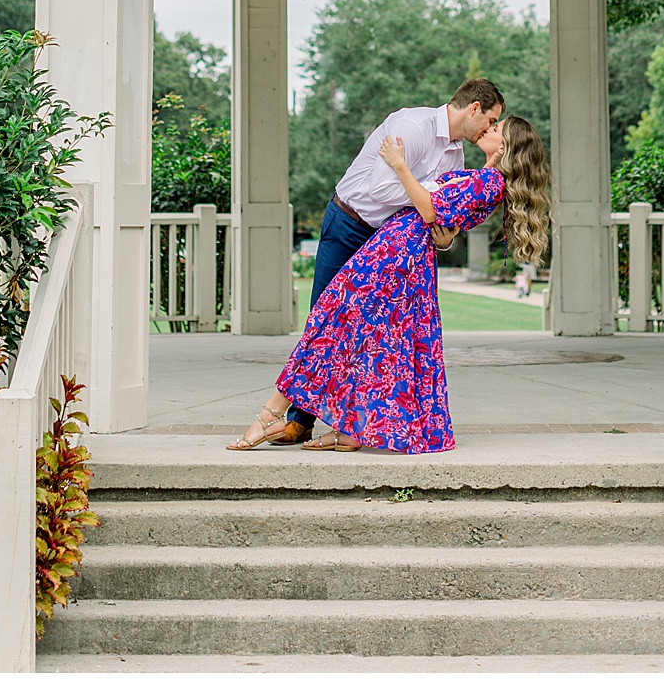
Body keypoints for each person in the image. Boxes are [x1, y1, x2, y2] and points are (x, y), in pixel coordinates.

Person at [226, 115, 551, 453]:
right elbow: (442, 216)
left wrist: (399, 165)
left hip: (397, 256)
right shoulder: (483, 175)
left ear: (506, 146)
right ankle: (349, 430)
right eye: (491, 122)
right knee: (375, 342)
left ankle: (271, 416)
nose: (489, 128)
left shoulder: (489, 182)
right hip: (398, 252)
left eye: (496, 129)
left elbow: (429, 209)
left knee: (329, 322)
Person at [266, 79, 505, 447]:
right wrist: (429, 197)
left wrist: (444, 231)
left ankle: (347, 427)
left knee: (373, 335)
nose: (489, 129)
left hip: (389, 242)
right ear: (473, 108)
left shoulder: (456, 156)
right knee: (325, 317)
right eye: (490, 120)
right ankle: (300, 420)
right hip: (350, 222)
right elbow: (382, 190)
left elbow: (441, 217)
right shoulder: (414, 127)